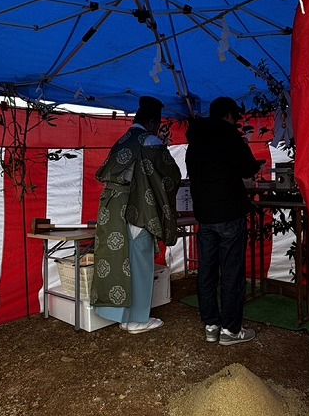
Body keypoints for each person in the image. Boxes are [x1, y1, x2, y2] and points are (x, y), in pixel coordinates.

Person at [92, 96, 180, 333]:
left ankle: (121, 316)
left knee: (119, 261)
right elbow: (171, 174)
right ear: (152, 122)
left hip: (112, 207)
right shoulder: (149, 140)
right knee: (140, 262)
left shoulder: (122, 141)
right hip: (138, 206)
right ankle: (137, 320)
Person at [186, 96, 263, 345]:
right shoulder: (230, 136)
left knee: (207, 271)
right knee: (231, 272)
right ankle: (230, 331)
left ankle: (211, 326)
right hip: (229, 214)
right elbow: (249, 168)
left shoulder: (195, 140)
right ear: (230, 115)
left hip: (204, 216)